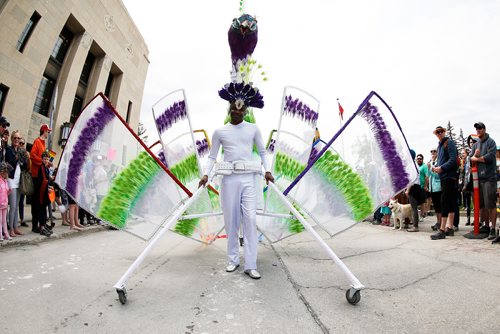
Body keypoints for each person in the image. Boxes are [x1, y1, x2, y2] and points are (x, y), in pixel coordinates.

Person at [199, 83, 274, 280]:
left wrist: (268, 171)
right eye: (233, 109)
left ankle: (251, 264)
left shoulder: (253, 129)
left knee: (249, 220)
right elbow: (212, 157)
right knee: (231, 221)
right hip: (229, 180)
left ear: (245, 111)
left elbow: (263, 152)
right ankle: (233, 260)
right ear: (229, 109)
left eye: (240, 111)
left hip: (249, 179)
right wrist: (206, 174)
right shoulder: (220, 132)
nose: (236, 113)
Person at [469, 122, 497, 240]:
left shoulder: (491, 142)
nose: (478, 130)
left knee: (490, 204)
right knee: (482, 205)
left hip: (489, 178)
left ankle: (493, 228)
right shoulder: (476, 145)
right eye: (476, 129)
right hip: (478, 179)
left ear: (484, 129)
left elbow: (490, 157)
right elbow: (470, 158)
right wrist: (474, 156)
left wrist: (478, 158)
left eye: (480, 128)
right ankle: (485, 226)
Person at [430, 126, 459, 240]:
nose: (440, 133)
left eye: (441, 131)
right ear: (436, 134)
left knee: (444, 201)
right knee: (450, 202)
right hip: (445, 176)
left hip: (448, 176)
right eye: (438, 132)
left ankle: (442, 229)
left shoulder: (449, 142)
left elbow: (452, 159)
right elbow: (446, 160)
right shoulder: (440, 145)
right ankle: (450, 228)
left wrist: (441, 168)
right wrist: (437, 167)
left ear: (444, 132)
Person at [5, 130, 29, 237]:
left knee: (17, 206)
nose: (17, 140)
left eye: (18, 138)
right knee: (13, 207)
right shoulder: (9, 149)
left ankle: (15, 227)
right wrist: (18, 156)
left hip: (19, 180)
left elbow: (24, 166)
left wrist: (25, 157)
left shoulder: (19, 150)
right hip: (11, 180)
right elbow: (10, 163)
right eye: (15, 138)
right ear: (12, 139)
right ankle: (10, 229)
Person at [30, 124, 51, 233]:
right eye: (48, 131)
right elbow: (32, 156)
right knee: (37, 203)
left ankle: (41, 223)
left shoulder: (43, 143)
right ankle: (35, 225)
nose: (49, 133)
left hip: (42, 176)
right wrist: (42, 162)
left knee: (41, 202)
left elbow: (43, 158)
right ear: (44, 131)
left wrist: (47, 163)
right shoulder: (37, 141)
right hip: (36, 176)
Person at [427, 148, 442, 231]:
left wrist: (431, 168)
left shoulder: (438, 162)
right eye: (431, 151)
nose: (432, 153)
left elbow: (437, 175)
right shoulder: (431, 162)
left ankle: (440, 223)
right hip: (432, 188)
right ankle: (438, 222)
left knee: (439, 206)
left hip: (438, 187)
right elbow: (429, 175)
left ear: (437, 153)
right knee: (436, 206)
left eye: (434, 151)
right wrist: (429, 169)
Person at [0, 162, 12, 241]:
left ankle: (6, 234)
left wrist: (10, 190)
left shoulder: (5, 181)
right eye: (5, 173)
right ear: (2, 172)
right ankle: (0, 235)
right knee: (0, 220)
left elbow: (6, 192)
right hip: (0, 203)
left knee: (4, 220)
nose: (7, 175)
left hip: (5, 203)